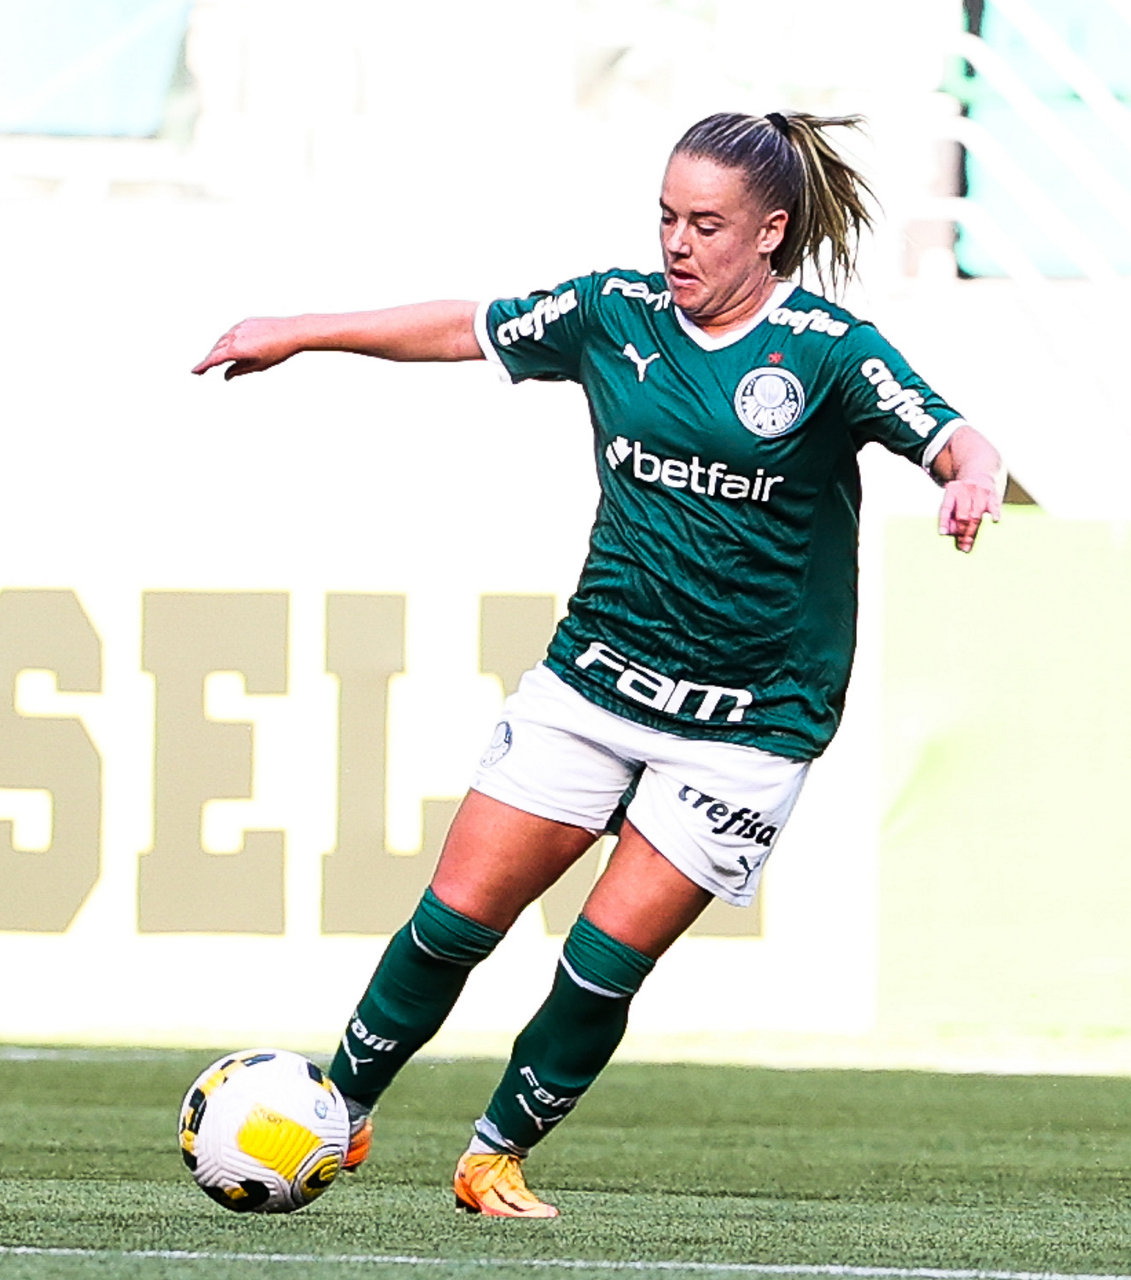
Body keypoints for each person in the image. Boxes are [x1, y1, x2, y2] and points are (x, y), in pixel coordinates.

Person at [193, 110, 1003, 1219]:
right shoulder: (611, 313)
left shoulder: (827, 351)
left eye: (705, 224)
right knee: (453, 920)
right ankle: (339, 1110)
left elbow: (952, 434)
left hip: (752, 721)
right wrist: (297, 330)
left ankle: (493, 1157)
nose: (676, 241)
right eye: (666, 216)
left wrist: (970, 477)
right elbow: (464, 326)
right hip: (594, 681)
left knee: (600, 961)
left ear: (769, 232)